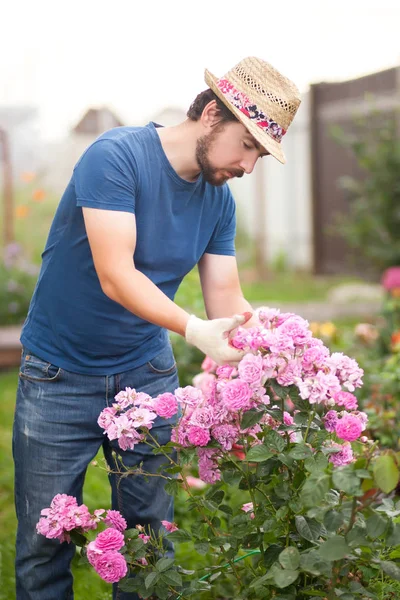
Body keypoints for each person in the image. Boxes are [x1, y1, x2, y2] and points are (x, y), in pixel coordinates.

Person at [12, 56, 301, 599]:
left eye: (259, 156)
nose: (249, 166)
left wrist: (275, 341)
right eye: (247, 146)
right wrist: (193, 330)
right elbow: (116, 275)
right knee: (43, 544)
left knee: (149, 539)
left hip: (145, 373)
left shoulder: (217, 200)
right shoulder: (115, 158)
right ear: (213, 114)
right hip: (58, 375)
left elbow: (226, 299)